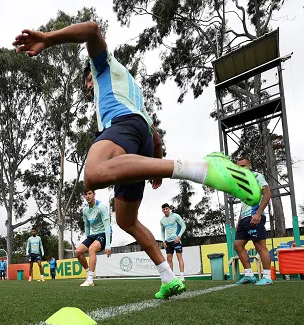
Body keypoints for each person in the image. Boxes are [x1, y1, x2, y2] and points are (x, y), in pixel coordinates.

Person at [13, 23, 262, 298]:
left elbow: (93, 30)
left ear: (92, 73)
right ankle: (168, 278)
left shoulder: (102, 67)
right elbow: (154, 136)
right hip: (139, 135)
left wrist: (47, 39)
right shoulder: (132, 90)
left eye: (86, 81)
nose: (87, 87)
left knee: (92, 173)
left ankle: (200, 169)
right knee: (126, 220)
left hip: (123, 125)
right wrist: (153, 162)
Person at [234, 157, 273, 286]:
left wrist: (258, 213)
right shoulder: (242, 182)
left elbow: (267, 194)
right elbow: (244, 203)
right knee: (238, 245)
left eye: (244, 166)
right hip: (244, 219)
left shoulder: (257, 176)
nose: (242, 169)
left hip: (254, 216)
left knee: (259, 246)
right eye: (239, 167)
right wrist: (239, 220)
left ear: (249, 165)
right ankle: (249, 275)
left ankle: (267, 277)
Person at [77, 190, 111, 287]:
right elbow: (87, 226)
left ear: (94, 194)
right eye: (85, 194)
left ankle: (90, 280)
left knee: (92, 249)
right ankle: (88, 272)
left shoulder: (101, 206)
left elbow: (107, 226)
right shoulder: (85, 210)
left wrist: (108, 244)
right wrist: (86, 240)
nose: (87, 196)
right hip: (93, 235)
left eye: (89, 194)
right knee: (78, 252)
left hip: (104, 233)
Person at [160, 204, 187, 281]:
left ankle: (182, 276)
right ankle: (171, 277)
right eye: (163, 209)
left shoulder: (176, 216)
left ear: (169, 209)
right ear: (162, 210)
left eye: (166, 208)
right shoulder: (162, 220)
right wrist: (163, 241)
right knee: (169, 259)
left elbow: (184, 226)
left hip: (176, 240)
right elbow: (162, 231)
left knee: (179, 257)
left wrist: (179, 236)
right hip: (168, 242)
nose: (165, 210)